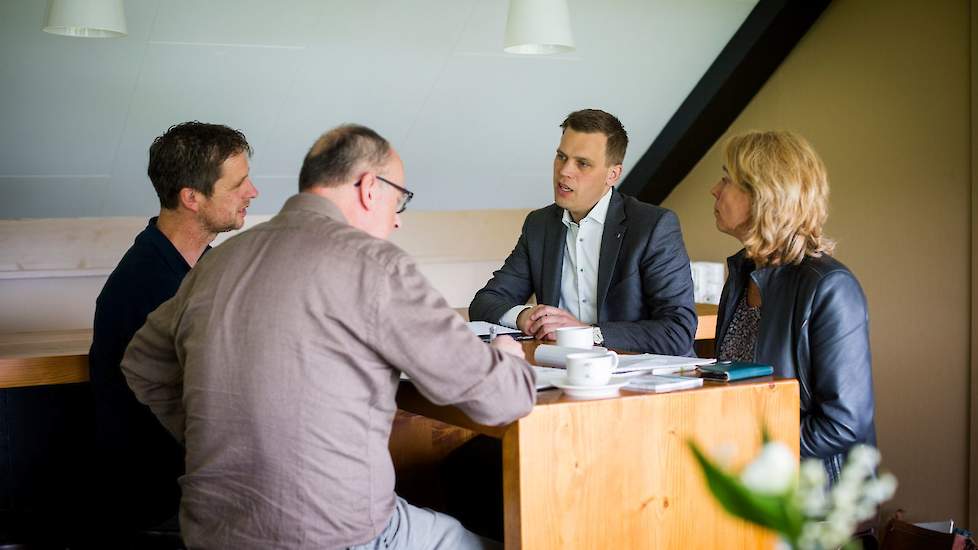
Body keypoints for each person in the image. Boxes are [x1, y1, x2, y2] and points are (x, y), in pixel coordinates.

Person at [120, 124, 536, 549]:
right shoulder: (374, 264)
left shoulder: (217, 264)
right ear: (369, 188)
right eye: (400, 201)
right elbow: (503, 399)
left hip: (212, 530)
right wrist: (509, 357)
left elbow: (142, 363)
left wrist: (217, 436)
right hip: (333, 533)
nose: (395, 219)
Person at [88, 121, 257, 536]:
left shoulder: (203, 268)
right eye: (238, 184)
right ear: (192, 198)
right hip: (162, 509)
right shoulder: (145, 286)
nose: (252, 193)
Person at [710, 130, 876, 483]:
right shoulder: (743, 273)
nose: (715, 189)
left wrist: (749, 451)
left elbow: (844, 423)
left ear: (764, 195)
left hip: (811, 496)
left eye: (727, 179)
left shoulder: (829, 287)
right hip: (745, 480)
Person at [469, 109, 697, 354]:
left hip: (642, 375)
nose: (565, 171)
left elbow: (678, 330)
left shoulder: (653, 226)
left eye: (583, 163)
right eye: (561, 157)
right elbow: (485, 302)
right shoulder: (539, 224)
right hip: (562, 370)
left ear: (613, 174)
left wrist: (588, 334)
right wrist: (526, 315)